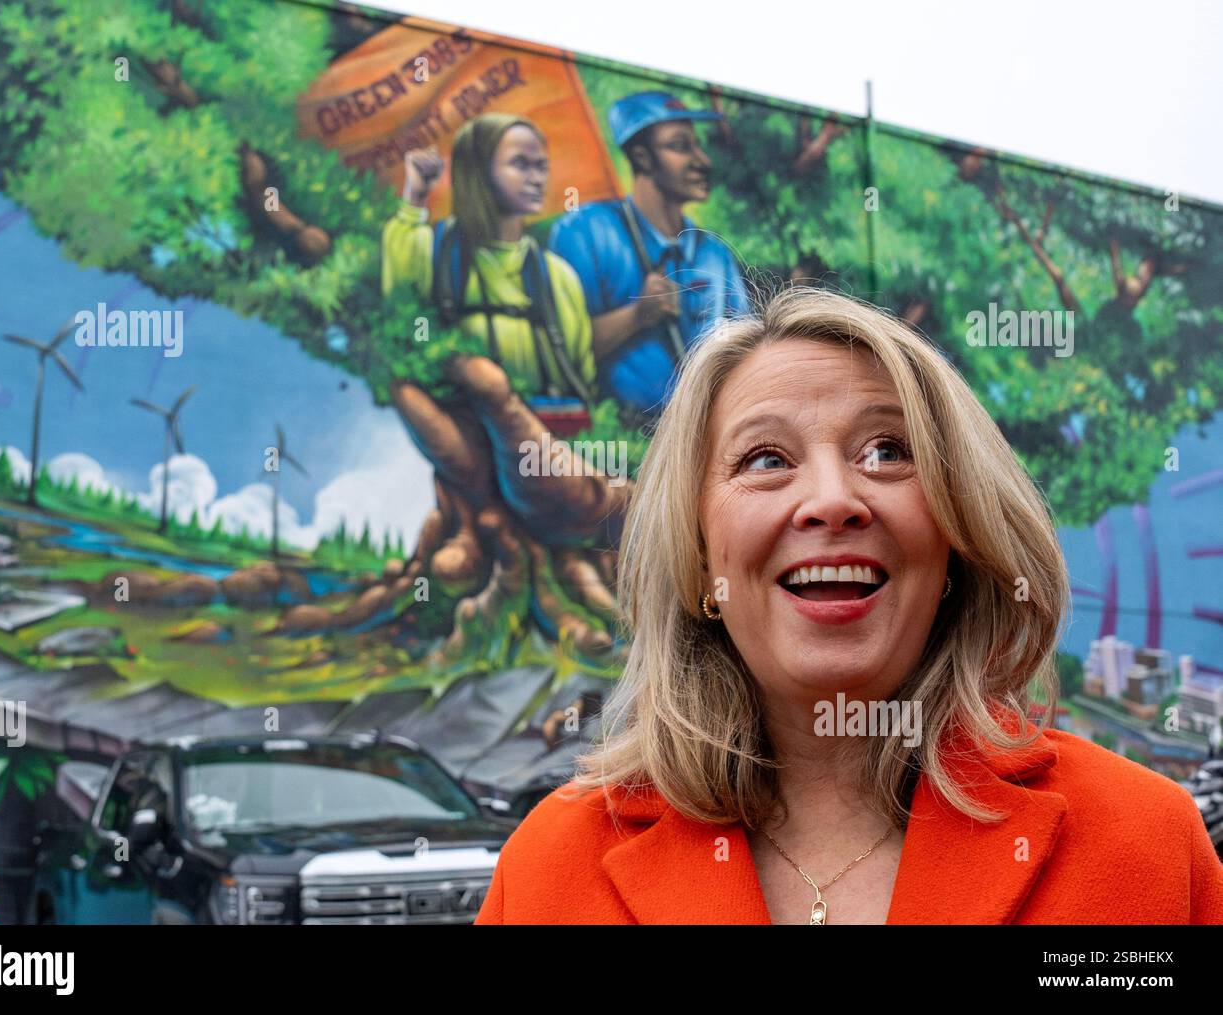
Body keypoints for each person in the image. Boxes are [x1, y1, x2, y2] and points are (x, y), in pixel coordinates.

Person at [474, 286, 1223, 925]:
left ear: (956, 540)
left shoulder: (1142, 842)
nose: (833, 500)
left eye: (888, 451)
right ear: (700, 558)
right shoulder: (549, 871)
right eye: (765, 459)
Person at [381, 112, 596, 432]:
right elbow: (401, 297)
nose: (537, 178)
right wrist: (415, 197)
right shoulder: (436, 250)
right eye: (520, 164)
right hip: (467, 440)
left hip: (548, 452)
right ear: (478, 171)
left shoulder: (558, 275)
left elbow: (584, 376)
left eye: (541, 166)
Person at [548, 90, 750, 423]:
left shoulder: (715, 254)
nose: (703, 161)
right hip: (622, 447)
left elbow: (746, 353)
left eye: (697, 145)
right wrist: (637, 315)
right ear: (642, 157)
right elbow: (557, 355)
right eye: (681, 146)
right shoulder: (585, 233)